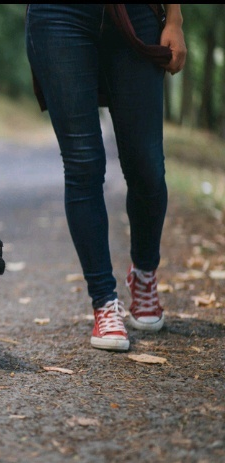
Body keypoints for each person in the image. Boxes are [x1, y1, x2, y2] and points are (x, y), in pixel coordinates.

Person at [25, 4, 187, 351]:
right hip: (58, 16)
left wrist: (174, 19)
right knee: (83, 164)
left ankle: (144, 275)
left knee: (147, 166)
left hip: (137, 13)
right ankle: (104, 303)